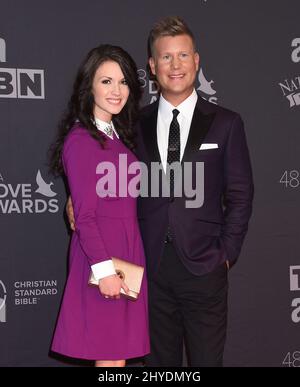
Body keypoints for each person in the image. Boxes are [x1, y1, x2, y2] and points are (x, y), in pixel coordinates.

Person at [68, 16, 254, 367]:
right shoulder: (130, 124)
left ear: (197, 61)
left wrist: (226, 253)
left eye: (183, 56)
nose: (176, 65)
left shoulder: (227, 123)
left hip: (205, 268)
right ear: (152, 67)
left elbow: (241, 195)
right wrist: (71, 200)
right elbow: (102, 173)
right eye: (166, 57)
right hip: (147, 269)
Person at [49, 44, 149, 367]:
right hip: (101, 259)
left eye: (122, 82)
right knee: (109, 360)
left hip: (125, 256)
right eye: (106, 81)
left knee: (115, 360)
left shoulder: (118, 134)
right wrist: (105, 271)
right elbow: (87, 215)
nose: (116, 90)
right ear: (89, 85)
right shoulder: (81, 140)